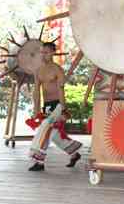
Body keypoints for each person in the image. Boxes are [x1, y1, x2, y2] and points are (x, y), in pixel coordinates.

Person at [27, 42, 82, 171]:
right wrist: (36, 110)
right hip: (46, 106)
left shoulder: (57, 69)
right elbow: (36, 91)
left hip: (58, 105)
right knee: (55, 135)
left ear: (52, 53)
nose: (43, 55)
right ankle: (74, 153)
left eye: (46, 52)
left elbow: (61, 89)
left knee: (45, 128)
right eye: (42, 52)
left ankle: (39, 161)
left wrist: (63, 109)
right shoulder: (38, 71)